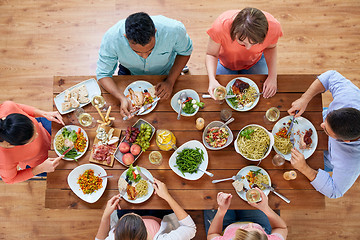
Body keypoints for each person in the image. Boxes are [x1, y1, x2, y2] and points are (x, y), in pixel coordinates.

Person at [96, 12, 193, 118]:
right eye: (137, 52)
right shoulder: (112, 39)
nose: (145, 56)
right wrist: (121, 98)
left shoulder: (174, 30)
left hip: (167, 71)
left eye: (150, 50)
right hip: (129, 71)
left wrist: (170, 81)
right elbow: (103, 74)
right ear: (126, 37)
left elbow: (185, 52)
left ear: (155, 32)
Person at [288, 70, 360, 198]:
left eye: (326, 130)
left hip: (326, 157)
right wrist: (304, 99)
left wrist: (304, 168)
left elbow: (335, 191)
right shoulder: (350, 97)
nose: (321, 126)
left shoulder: (351, 162)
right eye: (326, 122)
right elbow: (330, 76)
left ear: (346, 141)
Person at [206, 8, 283, 99]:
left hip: (255, 61)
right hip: (225, 63)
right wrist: (212, 80)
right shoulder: (220, 26)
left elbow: (271, 48)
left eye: (254, 43)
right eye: (242, 42)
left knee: (263, 89)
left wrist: (272, 76)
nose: (248, 48)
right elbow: (211, 54)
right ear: (234, 31)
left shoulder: (274, 27)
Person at [95, 178, 196, 240]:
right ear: (146, 233)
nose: (134, 213)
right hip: (159, 217)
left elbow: (99, 239)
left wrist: (105, 216)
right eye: (138, 218)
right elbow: (190, 228)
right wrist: (167, 196)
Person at [0, 101, 64, 184]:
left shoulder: (8, 107)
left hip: (44, 129)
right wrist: (41, 168)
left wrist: (44, 114)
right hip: (40, 161)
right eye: (32, 139)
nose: (37, 134)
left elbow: (20, 107)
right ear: (12, 145)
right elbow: (10, 179)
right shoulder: (4, 160)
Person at [205, 190, 287, 240]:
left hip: (225, 227)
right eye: (260, 232)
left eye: (246, 228)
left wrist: (221, 211)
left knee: (211, 196)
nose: (250, 224)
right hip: (259, 222)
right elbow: (281, 228)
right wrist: (265, 208)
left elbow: (212, 234)